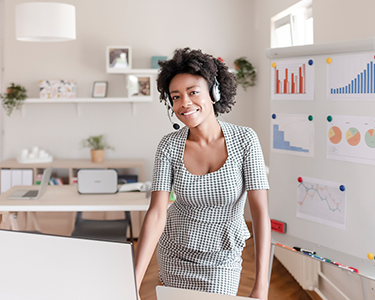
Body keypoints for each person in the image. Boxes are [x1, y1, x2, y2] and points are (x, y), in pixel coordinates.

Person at [134, 48, 270, 300]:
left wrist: (261, 285)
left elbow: (260, 212)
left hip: (223, 257)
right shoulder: (168, 145)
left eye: (193, 92)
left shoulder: (245, 140)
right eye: (175, 96)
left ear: (214, 92)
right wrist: (133, 283)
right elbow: (156, 213)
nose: (184, 102)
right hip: (175, 251)